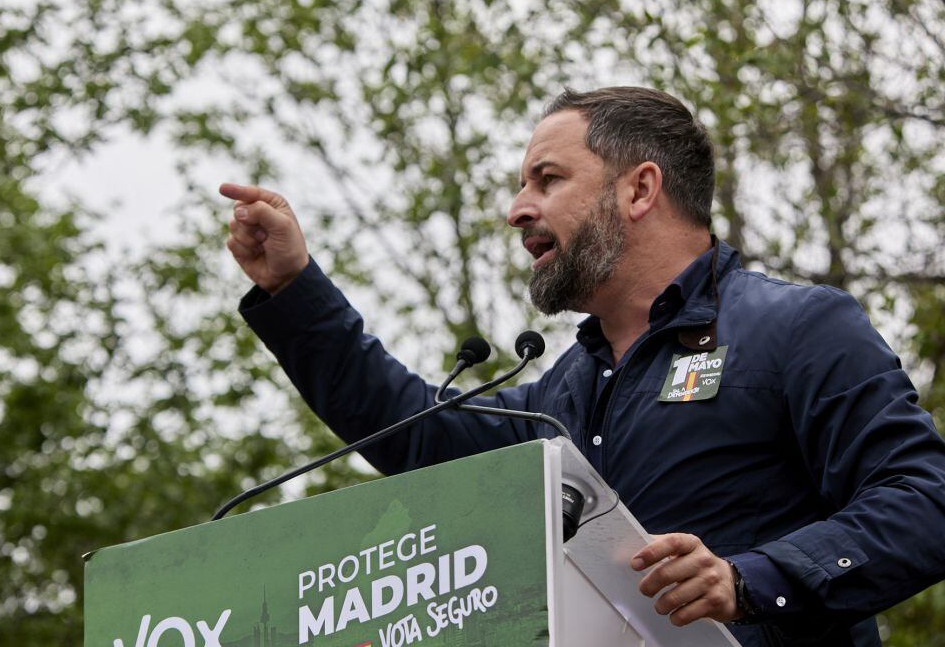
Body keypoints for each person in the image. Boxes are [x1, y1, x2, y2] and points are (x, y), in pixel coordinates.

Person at [219, 86, 945, 647]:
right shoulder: (560, 391)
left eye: (546, 179)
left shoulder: (798, 329)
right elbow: (417, 434)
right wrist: (293, 288)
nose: (515, 209)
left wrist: (746, 580)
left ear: (638, 189)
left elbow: (927, 500)